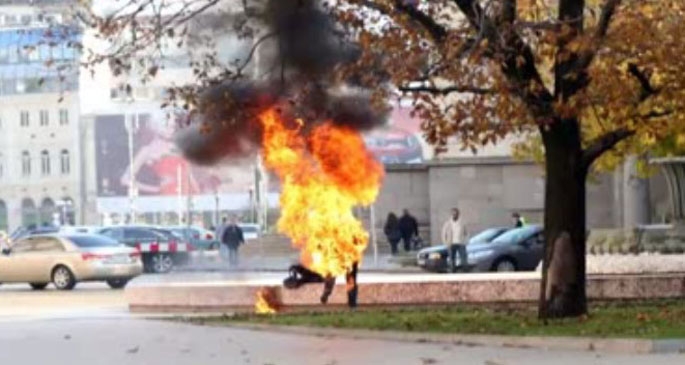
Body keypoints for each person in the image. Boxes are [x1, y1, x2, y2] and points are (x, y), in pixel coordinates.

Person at [442, 208, 468, 273]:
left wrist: (465, 241)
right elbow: (443, 234)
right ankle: (452, 272)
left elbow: (466, 233)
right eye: (453, 214)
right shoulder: (447, 223)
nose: (454, 215)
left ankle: (464, 272)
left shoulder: (462, 223)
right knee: (452, 259)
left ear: (458, 214)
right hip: (451, 243)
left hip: (460, 243)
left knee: (463, 259)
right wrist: (445, 243)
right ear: (451, 214)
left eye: (456, 214)